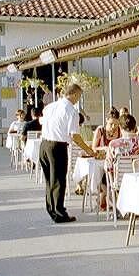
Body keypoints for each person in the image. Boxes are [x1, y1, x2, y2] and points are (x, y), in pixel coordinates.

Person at [39, 83, 97, 223]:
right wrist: (88, 149)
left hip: (44, 144)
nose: (78, 99)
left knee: (49, 180)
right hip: (57, 146)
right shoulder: (71, 111)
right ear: (75, 94)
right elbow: (75, 136)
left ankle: (52, 209)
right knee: (59, 180)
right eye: (79, 96)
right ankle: (59, 213)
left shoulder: (50, 107)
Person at [99, 114, 139, 210]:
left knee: (104, 179)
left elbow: (108, 167)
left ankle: (117, 204)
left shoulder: (114, 144)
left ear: (120, 127)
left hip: (122, 182)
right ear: (135, 126)